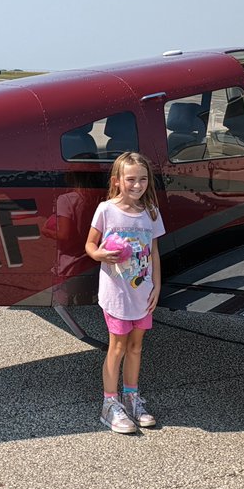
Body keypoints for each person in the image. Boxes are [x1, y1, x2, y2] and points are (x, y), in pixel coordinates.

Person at [84, 151, 165, 434]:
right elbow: (90, 246)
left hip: (142, 293)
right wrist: (100, 254)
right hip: (117, 293)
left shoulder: (151, 211)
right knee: (117, 347)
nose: (137, 185)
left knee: (136, 347)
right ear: (118, 181)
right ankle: (110, 403)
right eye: (131, 179)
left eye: (143, 179)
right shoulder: (106, 210)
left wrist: (156, 285)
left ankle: (132, 397)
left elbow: (154, 251)